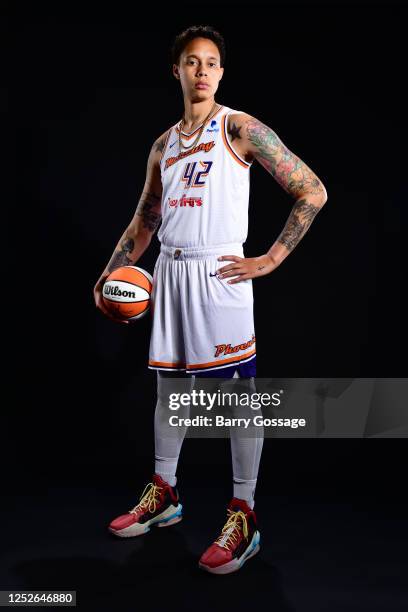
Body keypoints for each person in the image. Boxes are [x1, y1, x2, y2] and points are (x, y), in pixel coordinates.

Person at [93, 24, 328, 574]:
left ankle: (244, 514)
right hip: (170, 272)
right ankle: (165, 496)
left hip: (220, 273)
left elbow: (311, 190)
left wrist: (269, 259)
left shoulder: (240, 128)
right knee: (170, 390)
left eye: (212, 63)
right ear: (175, 71)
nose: (202, 71)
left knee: (236, 399)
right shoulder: (163, 145)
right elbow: (147, 218)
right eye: (192, 62)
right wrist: (109, 273)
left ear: (221, 73)